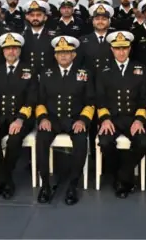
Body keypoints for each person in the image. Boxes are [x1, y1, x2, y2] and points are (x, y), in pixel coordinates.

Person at [35, 36, 95, 206]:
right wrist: (43, 117)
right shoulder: (46, 74)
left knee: (81, 140)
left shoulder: (84, 74)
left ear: (73, 55)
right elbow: (40, 101)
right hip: (52, 119)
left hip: (75, 119)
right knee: (42, 139)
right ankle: (45, 184)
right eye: (60, 52)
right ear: (55, 55)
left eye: (67, 52)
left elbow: (90, 101)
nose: (63, 55)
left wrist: (83, 120)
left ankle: (72, 185)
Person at [96, 31, 146, 198]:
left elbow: (144, 98)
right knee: (105, 142)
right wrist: (104, 119)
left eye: (125, 48)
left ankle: (122, 176)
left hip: (132, 118)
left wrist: (140, 120)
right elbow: (99, 98)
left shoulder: (140, 69)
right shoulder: (103, 70)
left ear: (129, 49)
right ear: (112, 49)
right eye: (117, 49)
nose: (121, 52)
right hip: (111, 118)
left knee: (143, 142)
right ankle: (121, 178)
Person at [0, 33, 36, 199]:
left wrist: (20, 119)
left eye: (14, 48)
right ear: (3, 51)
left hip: (22, 118)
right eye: (7, 49)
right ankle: (6, 180)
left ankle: (2, 179)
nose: (11, 52)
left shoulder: (29, 71)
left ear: (20, 50)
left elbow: (32, 99)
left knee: (14, 139)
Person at [77, 3, 116, 73]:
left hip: (111, 79)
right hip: (90, 80)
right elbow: (79, 64)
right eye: (97, 19)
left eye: (104, 19)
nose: (100, 22)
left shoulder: (115, 39)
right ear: (92, 21)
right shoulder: (82, 40)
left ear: (109, 22)